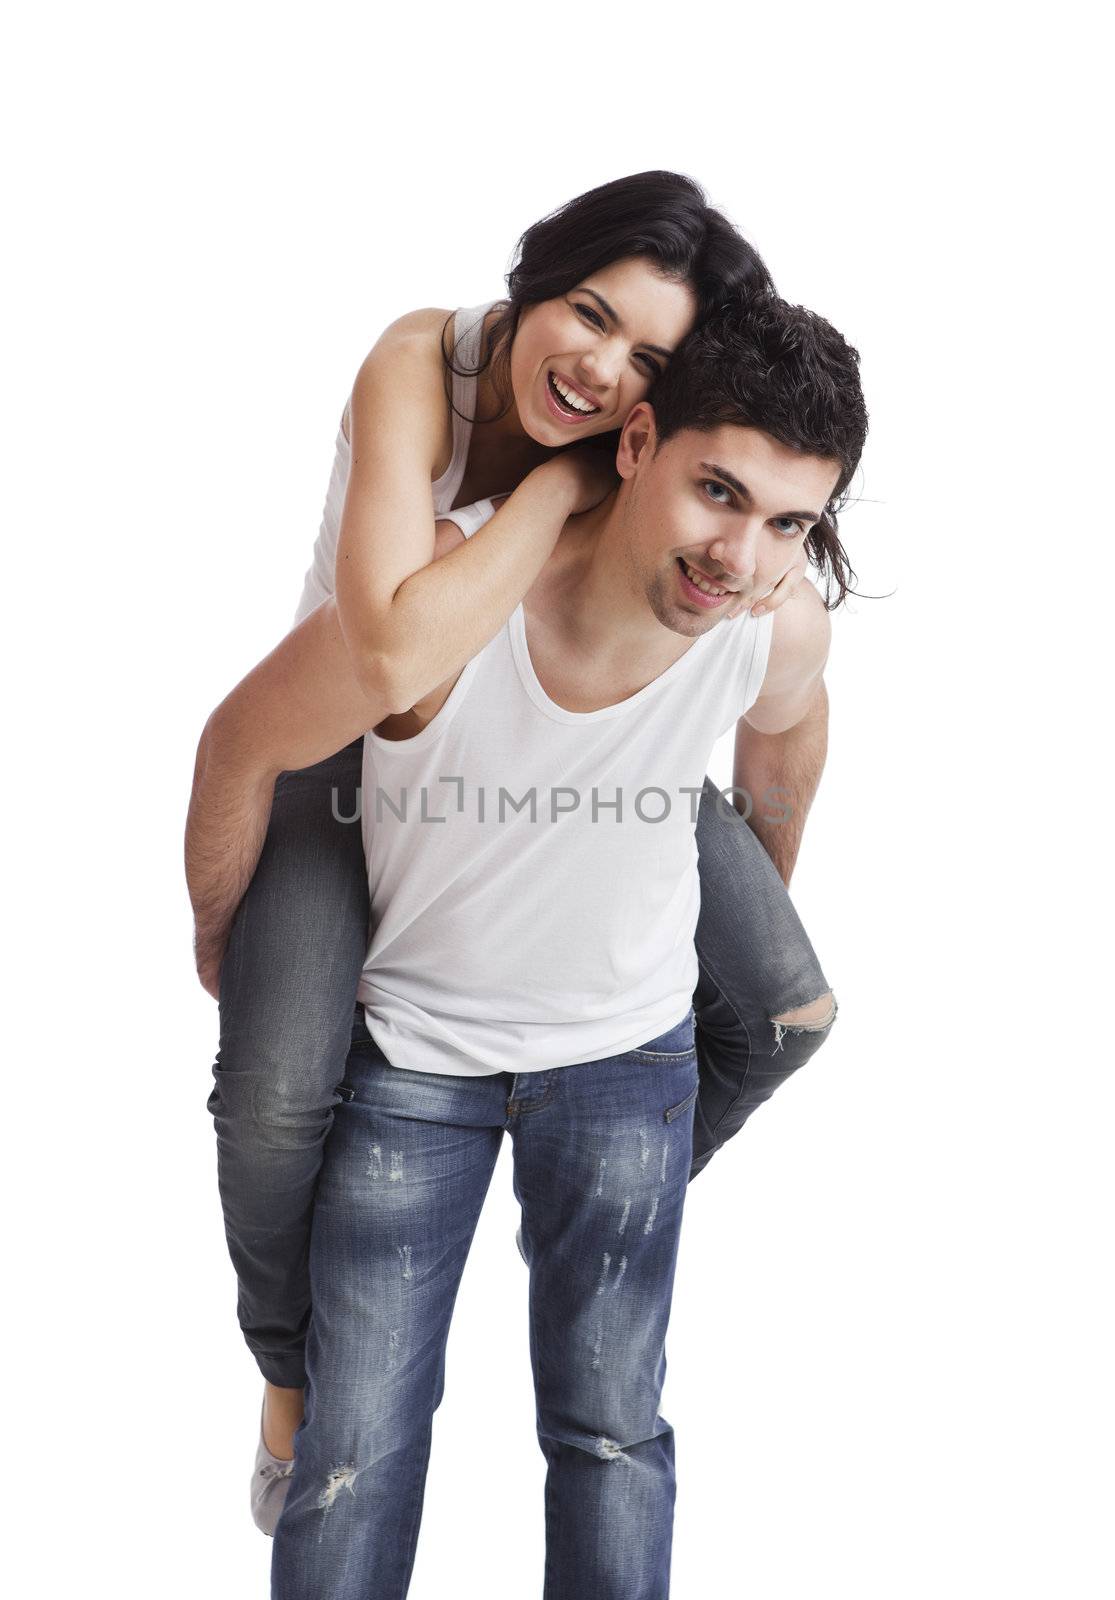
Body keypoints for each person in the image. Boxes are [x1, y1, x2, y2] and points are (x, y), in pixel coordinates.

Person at [185, 173, 850, 1530]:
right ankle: (287, 1369)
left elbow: (779, 727)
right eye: (588, 315)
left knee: (786, 1012)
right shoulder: (425, 364)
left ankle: (586, 1178)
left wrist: (666, 932)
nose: (601, 372)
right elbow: (381, 656)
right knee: (269, 1101)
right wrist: (554, 498)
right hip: (353, 724)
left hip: (565, 763)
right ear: (536, 282)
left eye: (649, 362)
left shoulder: (710, 537)